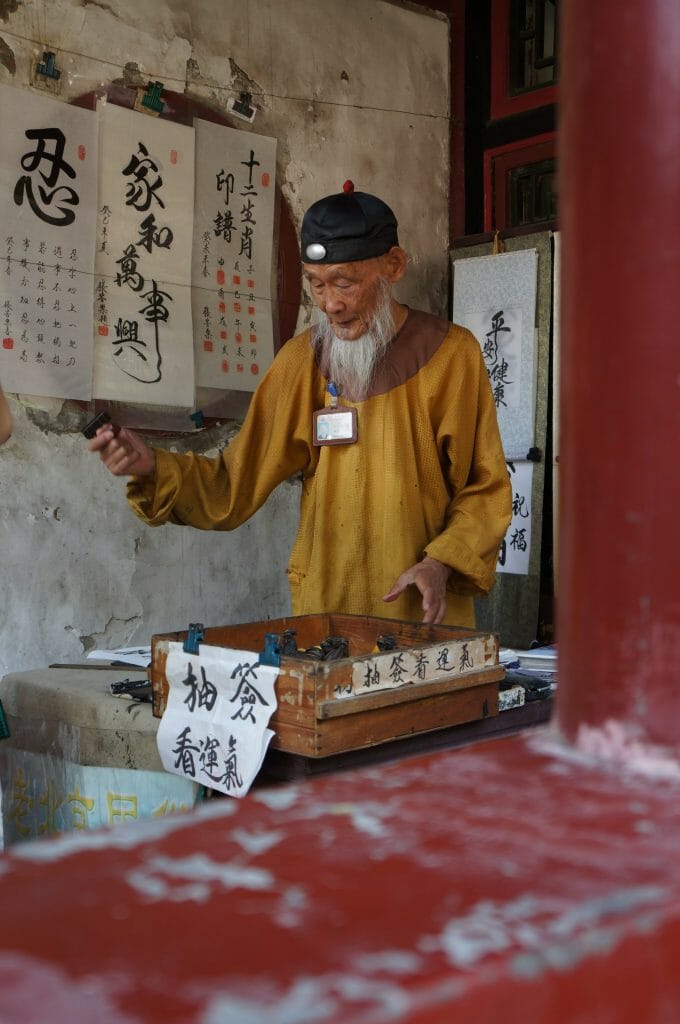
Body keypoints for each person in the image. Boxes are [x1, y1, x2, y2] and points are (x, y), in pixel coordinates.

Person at [88, 182, 511, 627]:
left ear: (394, 265)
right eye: (316, 285)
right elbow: (234, 482)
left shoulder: (450, 354)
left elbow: (485, 487)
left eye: (344, 283)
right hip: (324, 614)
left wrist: (440, 563)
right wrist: (153, 467)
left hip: (421, 616)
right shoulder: (300, 361)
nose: (331, 305)